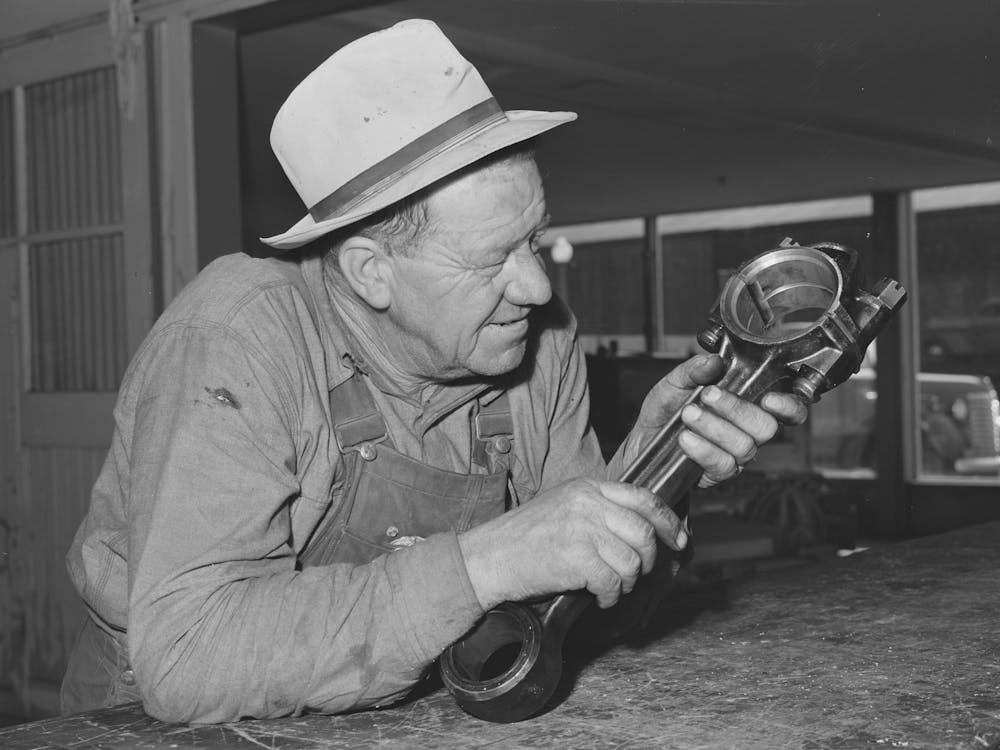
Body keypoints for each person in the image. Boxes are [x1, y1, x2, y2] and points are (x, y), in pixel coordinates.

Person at [61, 19, 805, 723]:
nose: (539, 288)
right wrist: (484, 564)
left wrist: (660, 464)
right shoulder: (238, 337)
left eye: (535, 240)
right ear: (371, 273)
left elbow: (572, 620)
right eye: (492, 259)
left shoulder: (537, 341)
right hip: (162, 722)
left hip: (412, 702)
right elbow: (190, 656)